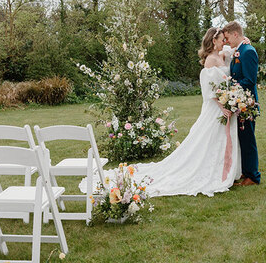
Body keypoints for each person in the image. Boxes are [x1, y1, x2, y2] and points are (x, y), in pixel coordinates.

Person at [93, 27, 242, 197]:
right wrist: (223, 105)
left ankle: (223, 168)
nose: (224, 42)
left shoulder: (221, 55)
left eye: (225, 39)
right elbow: (209, 89)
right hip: (216, 107)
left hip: (225, 104)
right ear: (213, 41)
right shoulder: (210, 60)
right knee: (209, 139)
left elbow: (233, 51)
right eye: (222, 39)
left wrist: (244, 42)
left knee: (218, 139)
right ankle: (212, 171)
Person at [220, 21, 261, 186]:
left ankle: (253, 176)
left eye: (228, 37)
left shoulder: (248, 52)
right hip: (238, 101)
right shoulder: (240, 50)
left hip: (247, 103)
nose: (227, 41)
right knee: (242, 138)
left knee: (248, 139)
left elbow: (250, 80)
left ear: (235, 34)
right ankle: (245, 171)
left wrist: (231, 89)